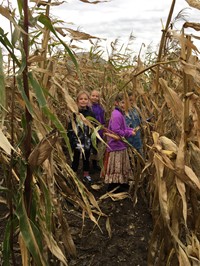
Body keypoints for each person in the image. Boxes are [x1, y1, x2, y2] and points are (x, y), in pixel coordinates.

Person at [101, 93, 136, 192]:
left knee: (119, 167)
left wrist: (129, 130)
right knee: (116, 167)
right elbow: (116, 132)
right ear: (116, 103)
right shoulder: (116, 115)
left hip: (120, 145)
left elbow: (122, 128)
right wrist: (129, 133)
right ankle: (113, 187)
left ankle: (120, 184)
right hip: (116, 146)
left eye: (127, 102)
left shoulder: (119, 113)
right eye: (122, 102)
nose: (125, 105)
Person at [67, 90, 95, 184]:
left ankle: (86, 174)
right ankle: (73, 173)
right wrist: (71, 139)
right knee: (76, 156)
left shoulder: (90, 113)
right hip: (77, 138)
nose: (83, 101)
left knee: (86, 157)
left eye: (85, 99)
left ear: (88, 100)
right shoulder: (74, 113)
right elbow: (70, 126)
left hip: (86, 139)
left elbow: (93, 126)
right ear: (77, 100)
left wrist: (92, 138)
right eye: (81, 99)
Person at [90, 89, 106, 172]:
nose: (95, 98)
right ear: (90, 96)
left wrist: (103, 128)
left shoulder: (100, 107)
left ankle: (96, 164)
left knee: (98, 147)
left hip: (99, 130)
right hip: (92, 130)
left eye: (97, 96)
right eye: (93, 96)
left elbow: (102, 119)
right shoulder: (89, 107)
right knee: (92, 147)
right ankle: (92, 165)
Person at [125, 92, 144, 157]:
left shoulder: (136, 110)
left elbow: (140, 122)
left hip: (137, 138)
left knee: (140, 155)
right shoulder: (123, 112)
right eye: (129, 100)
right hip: (128, 140)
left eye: (132, 100)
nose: (131, 102)